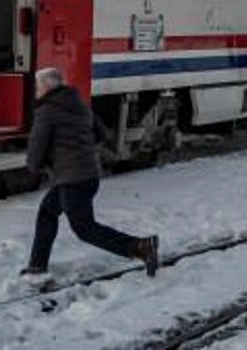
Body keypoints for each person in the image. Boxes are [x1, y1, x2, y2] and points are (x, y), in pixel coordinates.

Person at [21, 67, 159, 277]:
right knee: (47, 212)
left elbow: (37, 145)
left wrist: (34, 167)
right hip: (84, 175)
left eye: (38, 86)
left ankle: (140, 246)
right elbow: (100, 135)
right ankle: (37, 265)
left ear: (47, 87)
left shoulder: (47, 111)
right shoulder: (80, 104)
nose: (36, 91)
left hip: (72, 179)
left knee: (85, 229)